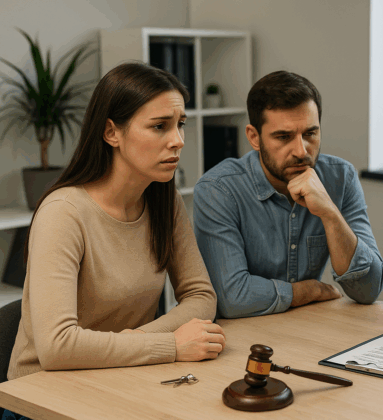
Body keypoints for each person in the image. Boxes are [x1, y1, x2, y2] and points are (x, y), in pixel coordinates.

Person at [6, 63, 224, 385]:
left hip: (120, 376)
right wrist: (169, 345)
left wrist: (134, 344)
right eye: (160, 126)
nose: (177, 140)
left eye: (180, 124)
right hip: (41, 395)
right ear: (112, 133)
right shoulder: (63, 213)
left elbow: (201, 296)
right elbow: (57, 347)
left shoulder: (164, 199)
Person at [194, 71, 383, 318]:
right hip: (237, 337)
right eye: (283, 137)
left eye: (310, 134)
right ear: (254, 137)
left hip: (303, 328)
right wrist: (308, 291)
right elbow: (232, 298)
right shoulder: (218, 189)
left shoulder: (341, 177)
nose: (301, 150)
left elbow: (369, 290)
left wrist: (329, 213)